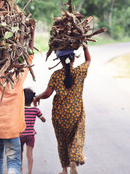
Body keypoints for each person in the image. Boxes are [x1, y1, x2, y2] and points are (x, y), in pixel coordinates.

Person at [0, 19, 36, 174]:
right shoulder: (19, 76)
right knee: (13, 161)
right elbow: (30, 54)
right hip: (12, 129)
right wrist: (32, 32)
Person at [33, 44, 91, 174]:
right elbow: (88, 61)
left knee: (62, 140)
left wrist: (37, 97)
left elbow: (47, 94)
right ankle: (74, 159)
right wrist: (85, 48)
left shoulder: (56, 75)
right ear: (74, 59)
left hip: (59, 114)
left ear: (60, 60)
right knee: (77, 135)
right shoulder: (80, 71)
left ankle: (64, 170)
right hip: (76, 111)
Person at [20, 88, 46, 174]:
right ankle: (29, 172)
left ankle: (20, 170)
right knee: (29, 154)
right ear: (32, 99)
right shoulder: (35, 110)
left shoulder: (19, 110)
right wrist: (41, 116)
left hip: (20, 135)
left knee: (20, 153)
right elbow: (43, 120)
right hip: (30, 135)